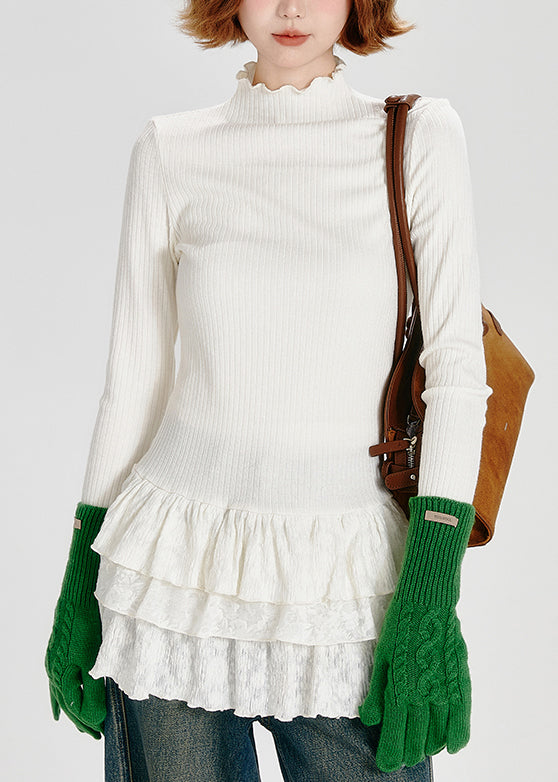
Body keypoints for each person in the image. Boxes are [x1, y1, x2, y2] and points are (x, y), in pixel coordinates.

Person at [44, 1, 492, 779]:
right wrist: (81, 577)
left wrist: (430, 593)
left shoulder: (419, 137)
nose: (290, 8)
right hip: (169, 579)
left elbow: (456, 371)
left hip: (344, 588)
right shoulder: (170, 149)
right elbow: (135, 383)